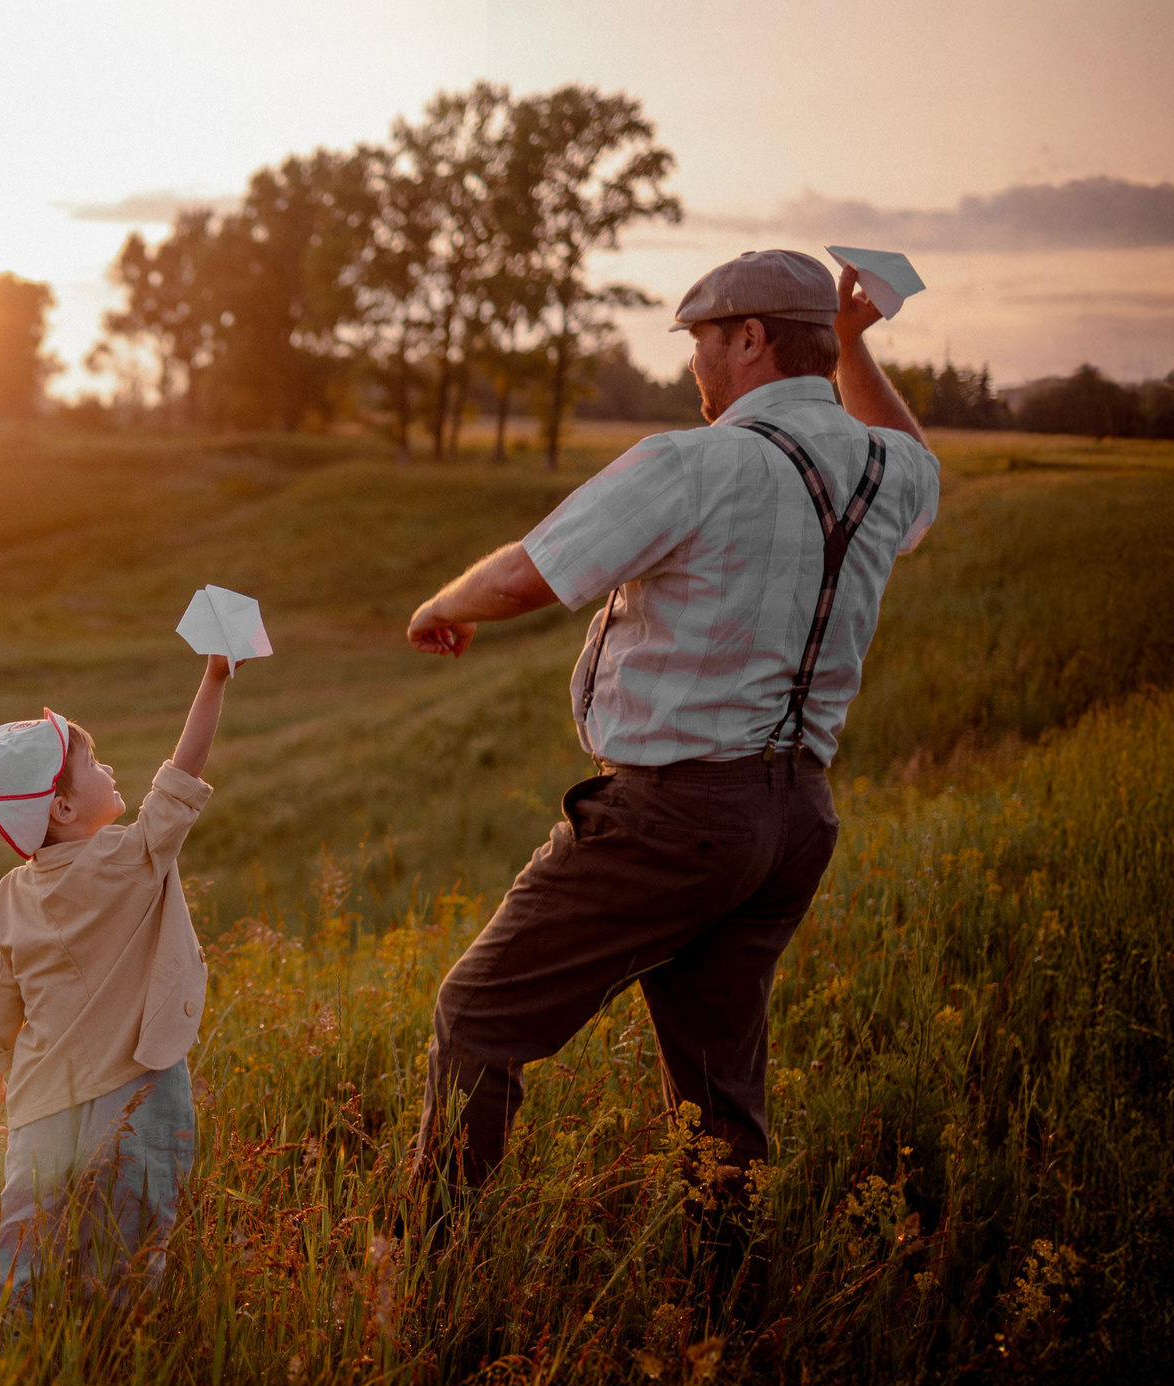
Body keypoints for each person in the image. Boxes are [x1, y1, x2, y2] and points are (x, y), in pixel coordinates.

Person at [399, 250, 940, 1198]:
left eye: (702, 343)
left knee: (478, 1016)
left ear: (750, 337)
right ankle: (722, 1300)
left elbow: (532, 571)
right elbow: (920, 462)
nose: (696, 368)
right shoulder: (883, 470)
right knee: (717, 1082)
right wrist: (853, 350)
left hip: (677, 816)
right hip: (797, 822)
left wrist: (442, 605)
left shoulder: (697, 461)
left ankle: (427, 1272)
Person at [0, 656, 235, 1311]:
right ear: (65, 806)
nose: (109, 769)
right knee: (127, 1248)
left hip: (41, 1103)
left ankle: (17, 1348)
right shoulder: (132, 857)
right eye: (94, 764)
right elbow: (183, 772)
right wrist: (215, 676)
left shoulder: (5, 899)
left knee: (24, 1240)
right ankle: (116, 1354)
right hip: (137, 1090)